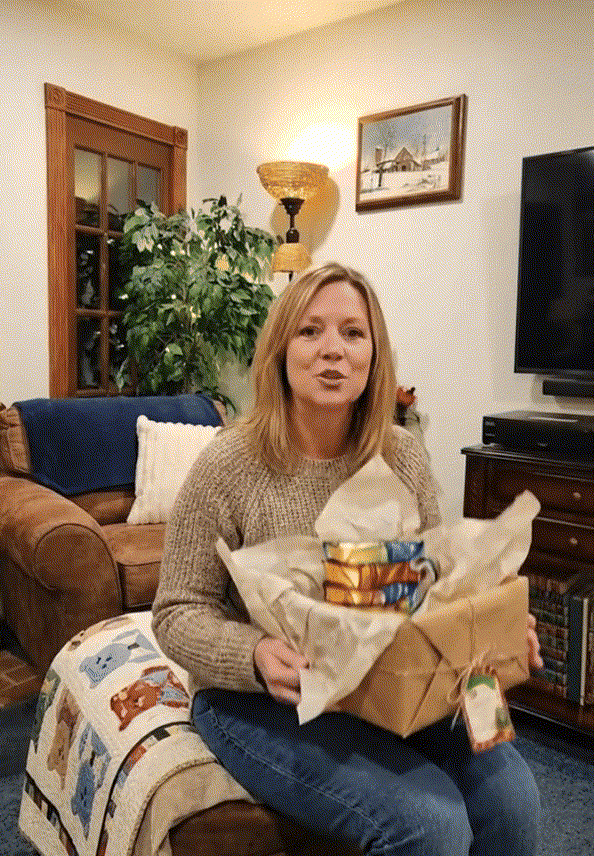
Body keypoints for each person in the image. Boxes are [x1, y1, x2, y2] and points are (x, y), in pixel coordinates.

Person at [152, 262, 542, 856]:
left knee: (515, 801)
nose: (332, 350)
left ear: (374, 354)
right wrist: (253, 655)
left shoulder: (402, 454)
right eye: (310, 331)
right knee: (431, 825)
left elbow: (436, 588)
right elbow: (176, 611)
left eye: (353, 333)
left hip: (388, 680)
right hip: (259, 701)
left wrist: (494, 635)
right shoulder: (227, 465)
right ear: (280, 351)